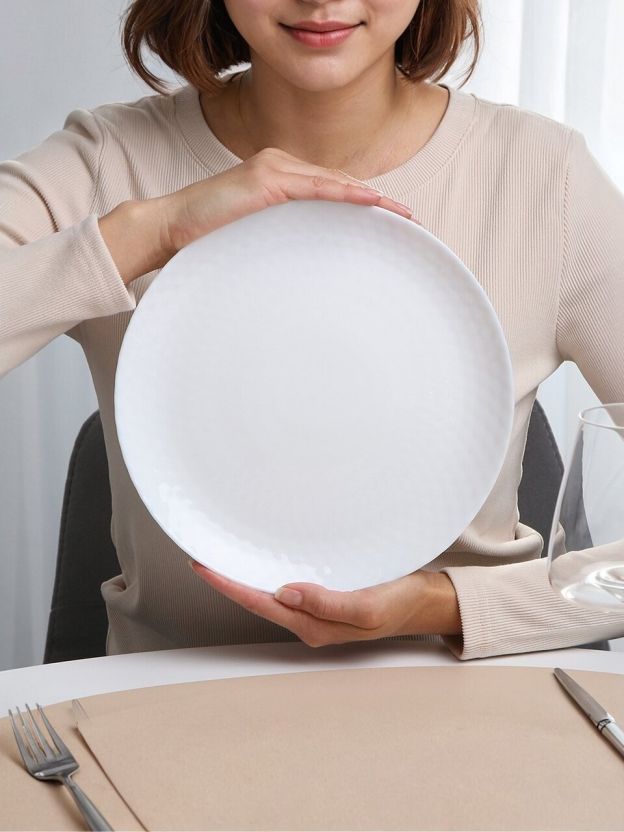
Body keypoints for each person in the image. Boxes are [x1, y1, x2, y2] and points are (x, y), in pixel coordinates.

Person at [2, 0, 623, 660]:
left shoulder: (545, 179)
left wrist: (445, 605)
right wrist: (155, 228)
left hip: (465, 695)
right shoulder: (109, 163)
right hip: (168, 699)